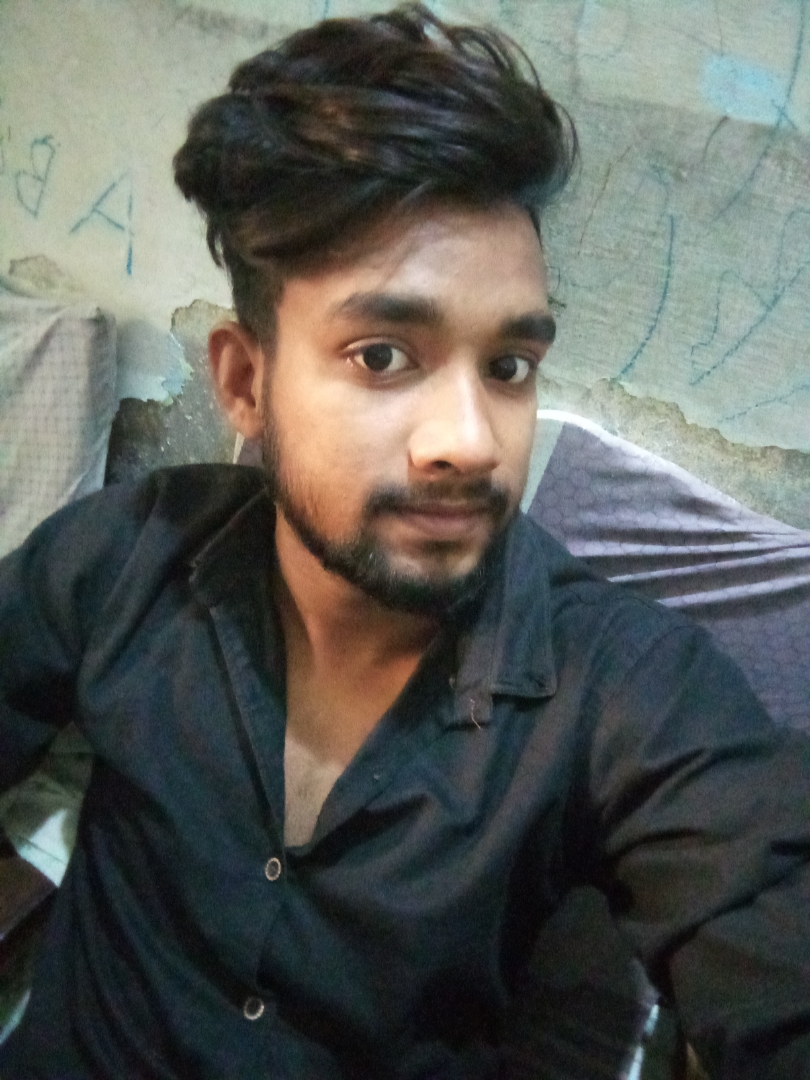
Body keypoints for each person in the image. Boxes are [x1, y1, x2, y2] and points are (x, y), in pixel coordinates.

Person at [1, 5, 809, 1077]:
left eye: (509, 367)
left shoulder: (623, 692)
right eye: (382, 355)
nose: (470, 442)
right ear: (244, 382)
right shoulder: (121, 560)